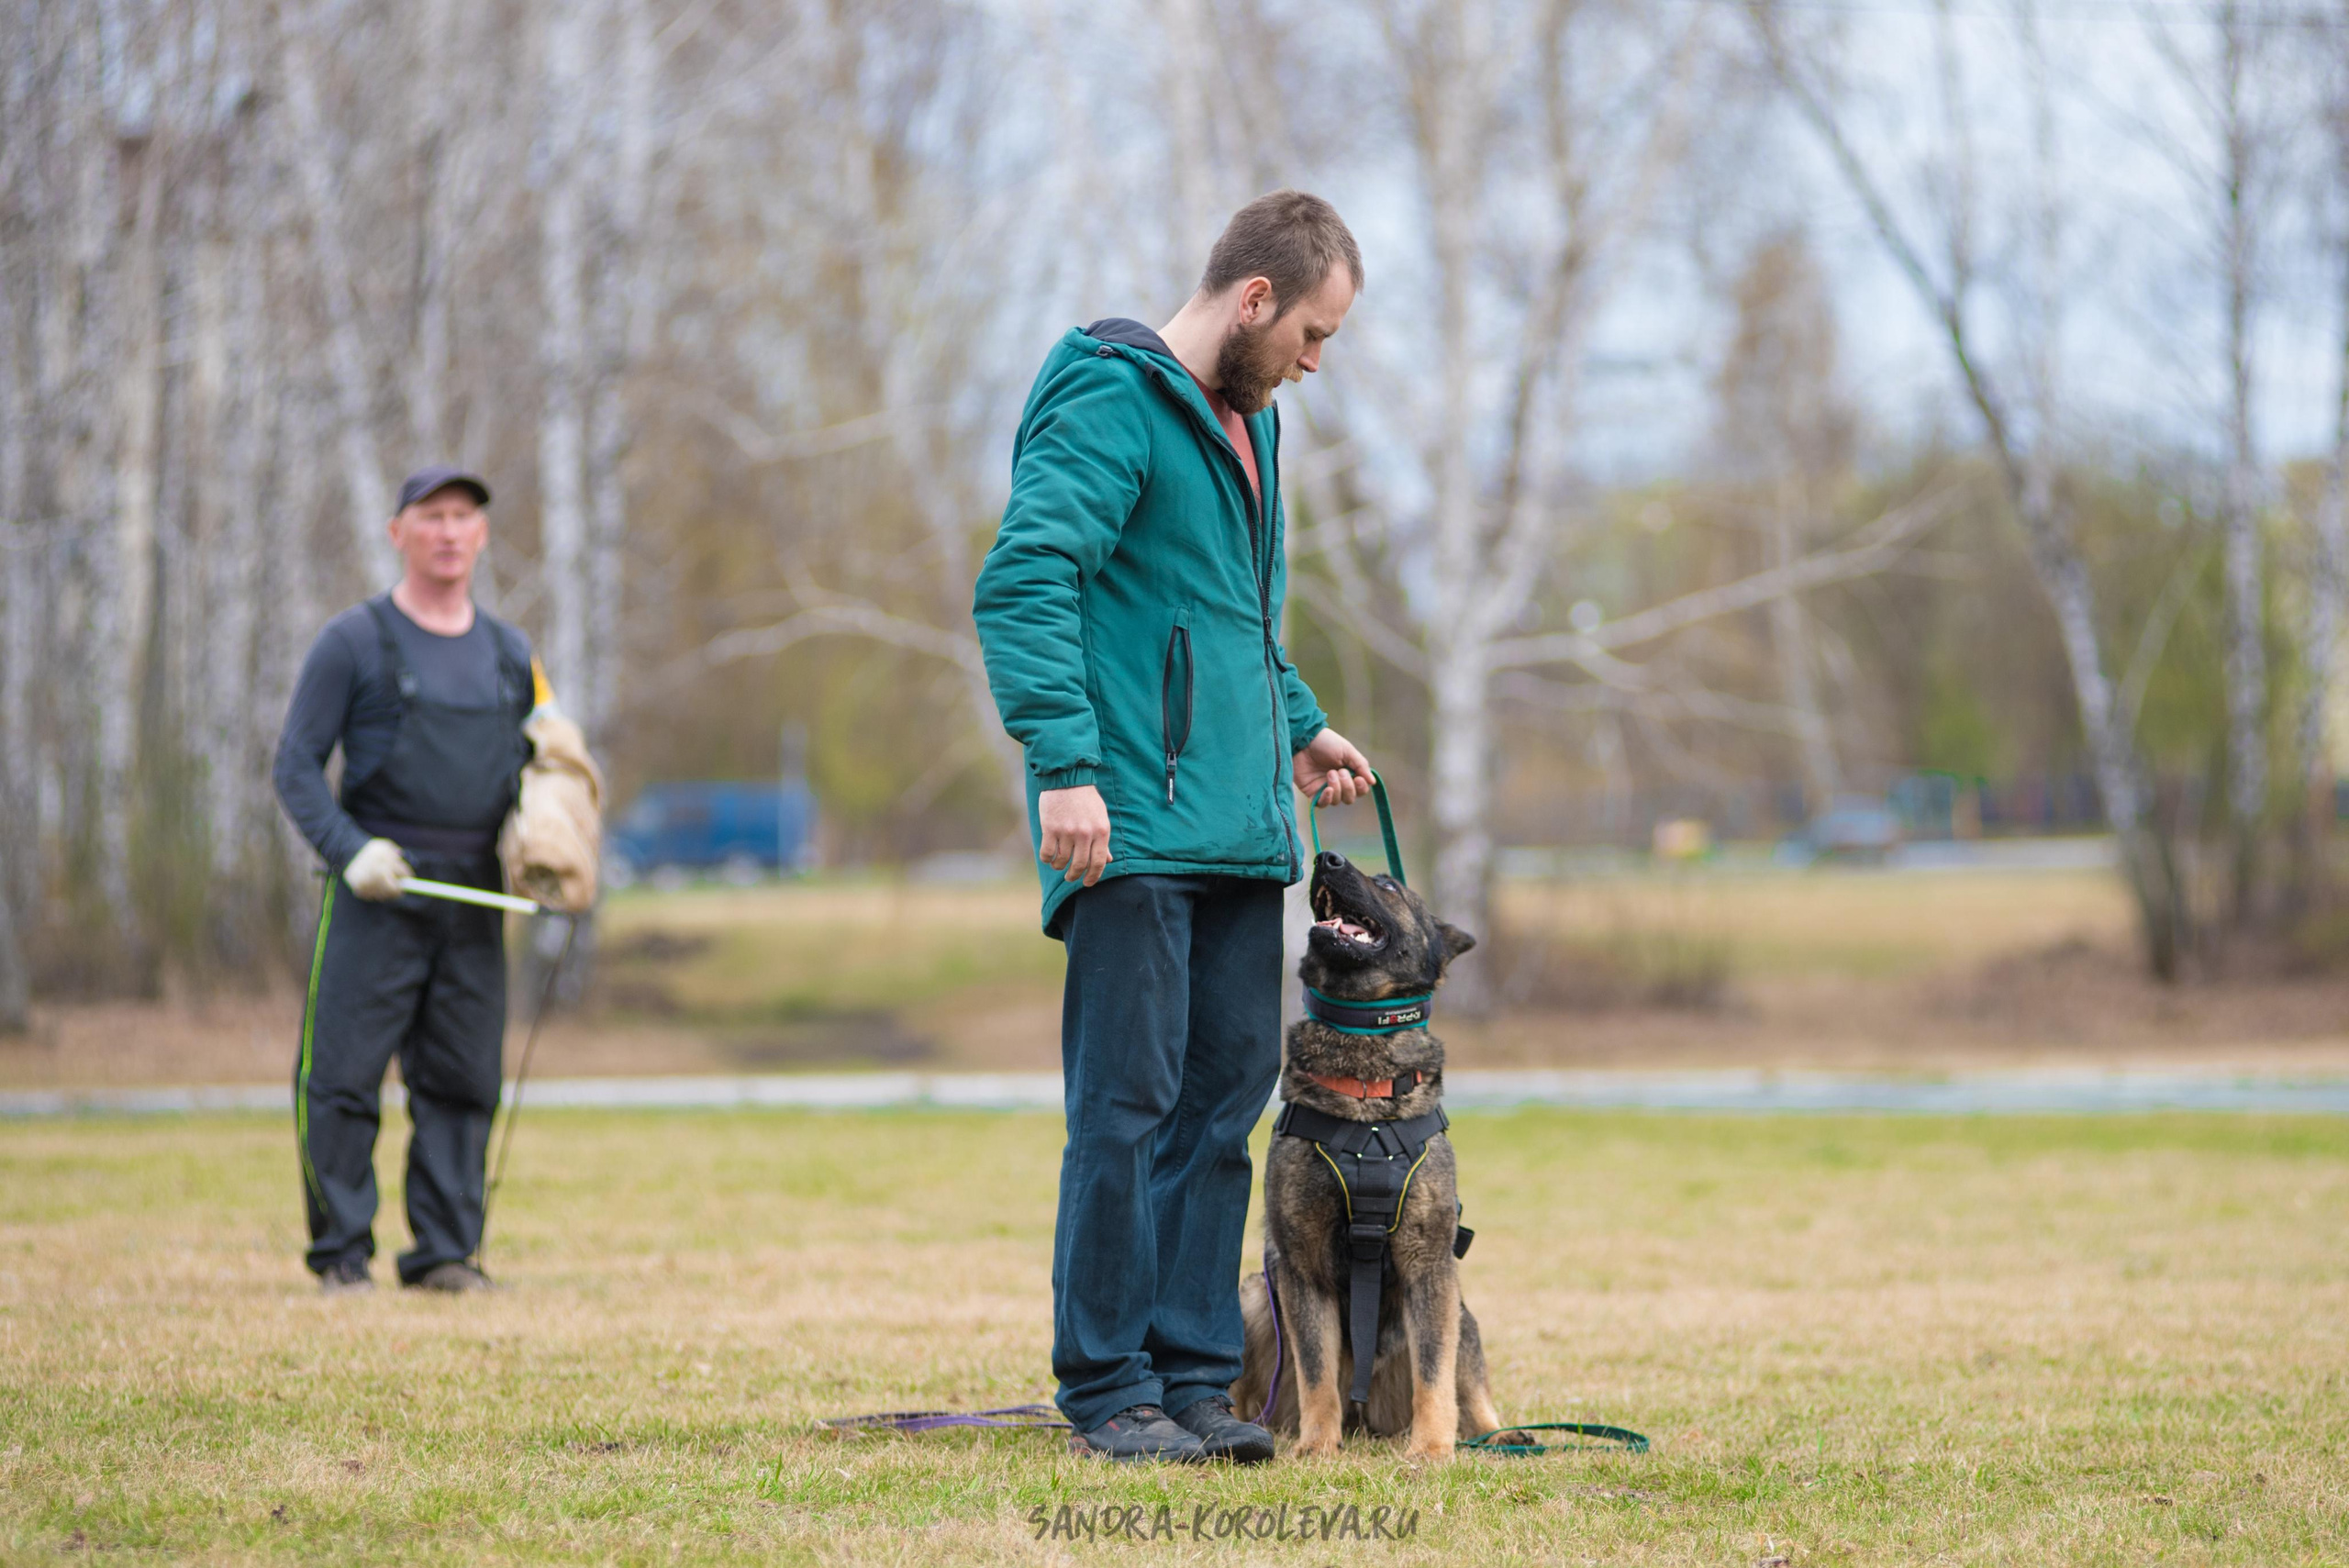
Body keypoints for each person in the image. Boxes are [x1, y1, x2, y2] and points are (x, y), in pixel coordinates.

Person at [972, 191, 1374, 1462]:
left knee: (1217, 1115)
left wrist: (1300, 720)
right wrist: (1065, 765)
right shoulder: (1109, 395)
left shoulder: (1247, 429)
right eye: (1311, 335)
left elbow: (1229, 613)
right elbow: (1028, 578)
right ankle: (1106, 1385)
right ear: (1254, 299)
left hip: (1242, 834)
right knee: (1127, 1110)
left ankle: (1197, 1378)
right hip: (1131, 823)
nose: (1312, 365)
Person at [273, 466, 546, 1296]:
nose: (449, 531)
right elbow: (294, 766)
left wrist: (560, 846)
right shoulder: (353, 642)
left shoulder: (510, 654)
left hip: (475, 892)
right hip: (376, 890)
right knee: (342, 1076)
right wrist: (352, 850)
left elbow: (551, 764)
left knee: (463, 1079)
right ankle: (343, 1254)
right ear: (398, 532)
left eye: (465, 516)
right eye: (431, 516)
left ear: (483, 535)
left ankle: (444, 1254)